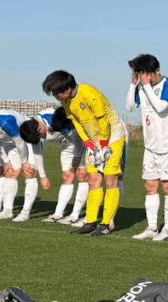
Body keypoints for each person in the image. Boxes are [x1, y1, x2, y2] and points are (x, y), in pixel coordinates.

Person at [42, 70, 128, 237]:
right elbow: (76, 121)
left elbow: (104, 121)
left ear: (69, 88)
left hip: (112, 136)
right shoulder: (65, 101)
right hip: (94, 139)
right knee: (93, 179)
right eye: (53, 93)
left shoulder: (89, 94)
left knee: (110, 178)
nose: (56, 96)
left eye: (57, 92)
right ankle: (90, 222)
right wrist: (88, 142)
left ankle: (106, 224)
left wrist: (103, 144)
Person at [126, 54, 168, 242]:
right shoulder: (141, 86)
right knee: (150, 186)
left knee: (167, 186)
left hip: (167, 146)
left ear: (156, 71)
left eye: (146, 73)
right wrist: (133, 85)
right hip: (149, 146)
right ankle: (151, 227)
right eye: (140, 73)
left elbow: (161, 107)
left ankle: (167, 229)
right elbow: (129, 107)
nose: (143, 77)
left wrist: (146, 86)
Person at [32, 107, 91, 225]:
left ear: (40, 128)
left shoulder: (53, 118)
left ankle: (74, 215)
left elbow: (76, 135)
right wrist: (43, 176)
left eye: (41, 135)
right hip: (67, 143)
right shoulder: (31, 129)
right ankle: (58, 214)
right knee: (67, 176)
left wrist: (77, 156)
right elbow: (37, 153)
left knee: (82, 175)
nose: (41, 138)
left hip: (81, 141)